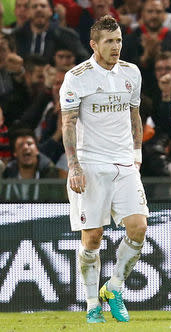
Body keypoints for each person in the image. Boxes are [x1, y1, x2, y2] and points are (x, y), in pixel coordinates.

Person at [60, 15, 149, 323]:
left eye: (119, 40)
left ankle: (113, 287)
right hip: (90, 163)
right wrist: (74, 167)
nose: (116, 47)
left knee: (138, 228)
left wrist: (137, 152)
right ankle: (90, 304)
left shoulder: (131, 73)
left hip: (124, 163)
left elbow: (134, 114)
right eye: (110, 41)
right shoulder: (77, 76)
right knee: (93, 238)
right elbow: (68, 123)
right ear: (94, 44)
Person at [1, 128, 62, 201]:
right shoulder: (7, 175)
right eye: (20, 145)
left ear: (37, 150)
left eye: (29, 144)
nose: (25, 147)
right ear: (15, 153)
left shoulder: (50, 174)